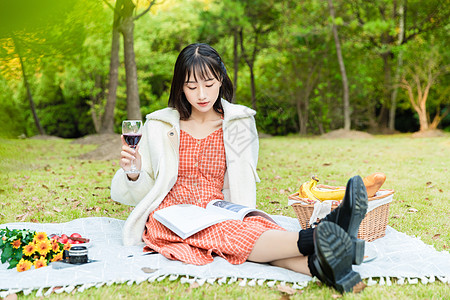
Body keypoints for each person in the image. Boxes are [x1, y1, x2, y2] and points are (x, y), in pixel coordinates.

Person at [111, 43, 368, 293]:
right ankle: (321, 234)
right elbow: (140, 192)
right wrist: (133, 173)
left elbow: (243, 177)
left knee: (252, 229)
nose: (201, 94)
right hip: (171, 216)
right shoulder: (158, 124)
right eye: (192, 86)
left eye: (209, 84)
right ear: (181, 87)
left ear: (221, 79)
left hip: (218, 208)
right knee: (228, 232)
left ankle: (321, 267)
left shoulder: (238, 124)